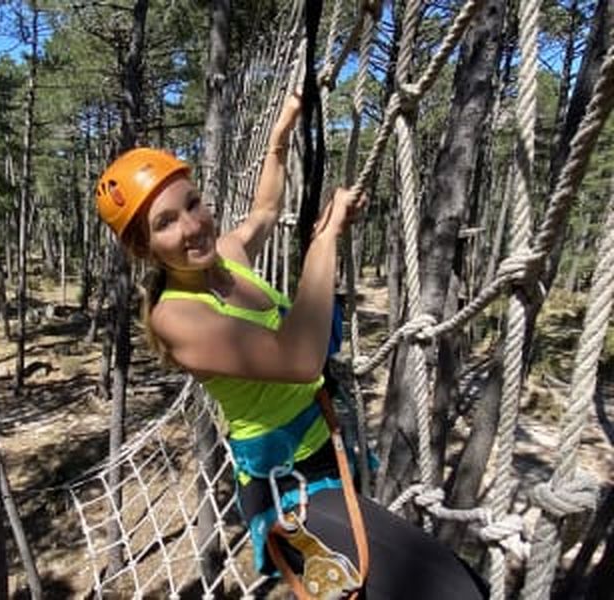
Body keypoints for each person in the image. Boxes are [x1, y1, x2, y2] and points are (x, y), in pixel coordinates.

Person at [95, 94, 488, 599]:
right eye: (165, 223)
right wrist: (324, 241)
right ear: (143, 249)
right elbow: (301, 362)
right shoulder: (177, 316)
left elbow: (264, 209)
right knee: (450, 589)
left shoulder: (229, 257)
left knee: (452, 580)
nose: (192, 226)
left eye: (192, 203)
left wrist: (280, 136)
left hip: (328, 444)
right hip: (287, 485)